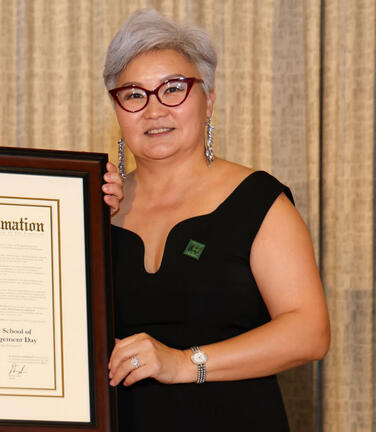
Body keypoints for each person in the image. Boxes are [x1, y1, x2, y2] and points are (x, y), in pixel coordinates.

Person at [100, 9, 330, 431]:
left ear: (209, 99)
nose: (153, 110)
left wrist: (185, 363)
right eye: (133, 94)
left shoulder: (259, 201)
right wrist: (88, 226)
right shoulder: (94, 209)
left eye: (173, 89)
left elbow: (309, 333)